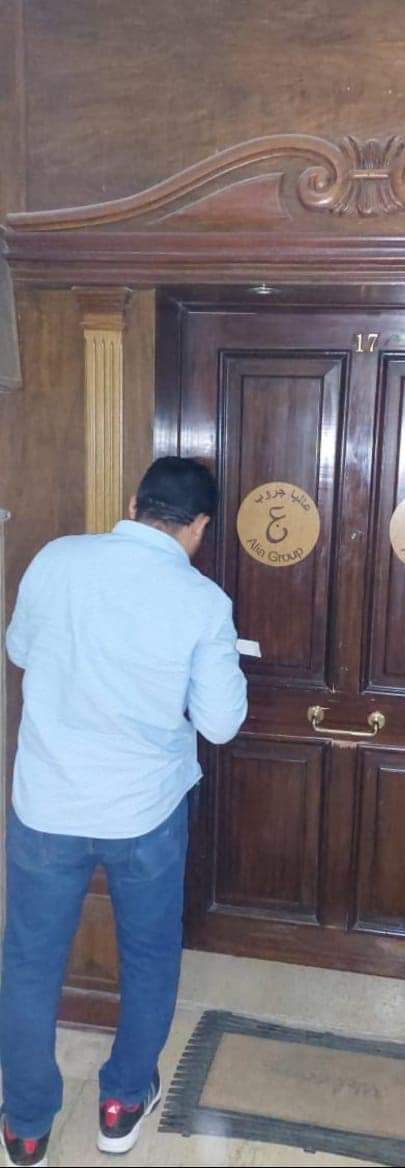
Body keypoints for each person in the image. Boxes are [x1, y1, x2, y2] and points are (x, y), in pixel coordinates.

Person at [0, 457, 247, 1168]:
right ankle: (121, 1104)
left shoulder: (56, 559)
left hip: (46, 806)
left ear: (135, 503)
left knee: (29, 962)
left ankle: (25, 1127)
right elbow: (221, 724)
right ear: (200, 527)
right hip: (144, 815)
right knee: (148, 956)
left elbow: (20, 649)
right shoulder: (202, 601)